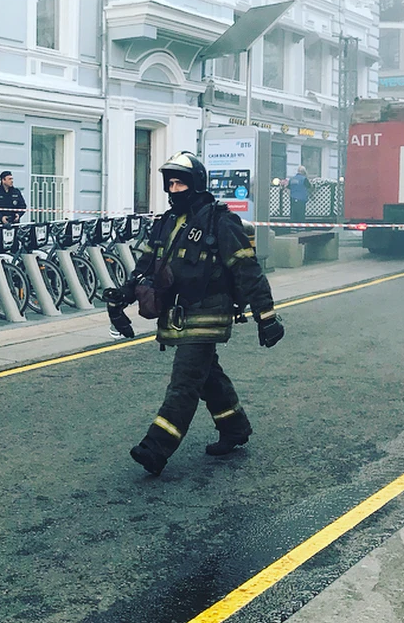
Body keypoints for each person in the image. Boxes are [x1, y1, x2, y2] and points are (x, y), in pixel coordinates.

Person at [103, 150, 285, 475]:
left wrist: (266, 315)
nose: (174, 190)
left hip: (209, 314)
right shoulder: (165, 223)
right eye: (170, 184)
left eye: (180, 183)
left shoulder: (220, 221)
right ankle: (234, 427)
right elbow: (145, 267)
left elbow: (246, 269)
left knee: (184, 382)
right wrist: (122, 298)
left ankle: (155, 449)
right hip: (177, 315)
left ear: (196, 184)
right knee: (207, 377)